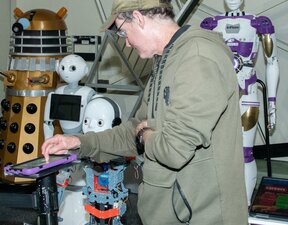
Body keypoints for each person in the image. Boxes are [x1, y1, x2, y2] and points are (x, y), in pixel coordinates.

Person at [41, 0, 248, 224]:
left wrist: (144, 134)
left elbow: (173, 149)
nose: (127, 43)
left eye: (122, 32)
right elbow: (133, 130)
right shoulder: (166, 60)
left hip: (200, 217)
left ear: (139, 18)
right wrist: (79, 142)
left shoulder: (198, 57)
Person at [200, 0, 279, 205]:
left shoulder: (257, 23)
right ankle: (219, 204)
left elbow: (272, 63)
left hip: (247, 95)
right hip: (218, 98)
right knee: (216, 152)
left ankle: (243, 209)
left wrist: (272, 103)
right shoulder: (210, 24)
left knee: (245, 153)